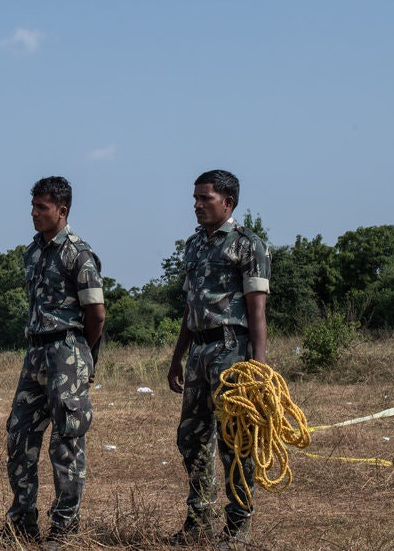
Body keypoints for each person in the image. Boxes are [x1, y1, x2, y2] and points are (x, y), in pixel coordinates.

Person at [166, 170, 270, 548]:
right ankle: (198, 520)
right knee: (191, 438)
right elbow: (190, 306)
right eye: (194, 198)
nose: (196, 205)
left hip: (232, 349)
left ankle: (239, 524)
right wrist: (177, 357)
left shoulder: (248, 245)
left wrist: (258, 368)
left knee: (234, 440)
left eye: (204, 198)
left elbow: (257, 312)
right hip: (198, 351)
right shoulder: (194, 245)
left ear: (227, 203)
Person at [2, 176, 105, 545]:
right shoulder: (32, 252)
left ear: (62, 211)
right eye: (32, 207)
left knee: (67, 441)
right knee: (18, 436)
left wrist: (80, 355)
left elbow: (96, 313)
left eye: (42, 208)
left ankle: (64, 525)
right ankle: (22, 519)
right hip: (35, 354)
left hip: (67, 350)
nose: (34, 214)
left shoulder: (78, 253)